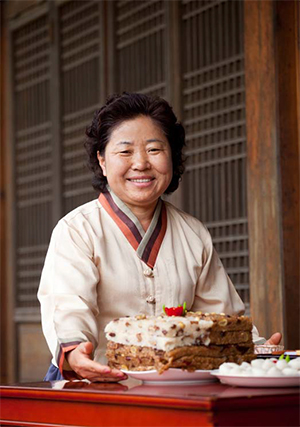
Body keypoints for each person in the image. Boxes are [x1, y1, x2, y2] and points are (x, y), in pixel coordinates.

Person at [38, 92, 281, 383]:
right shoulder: (77, 229)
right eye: (125, 152)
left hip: (177, 385)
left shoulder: (192, 233)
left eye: (154, 150)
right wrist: (77, 352)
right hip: (97, 383)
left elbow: (220, 317)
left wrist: (255, 348)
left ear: (172, 156)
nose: (140, 163)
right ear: (102, 161)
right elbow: (69, 305)